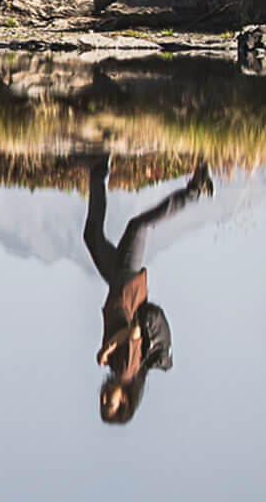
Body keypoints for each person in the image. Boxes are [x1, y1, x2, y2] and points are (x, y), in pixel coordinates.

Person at [84, 153, 214, 425]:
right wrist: (108, 349)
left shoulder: (117, 370)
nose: (104, 398)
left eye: (102, 403)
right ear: (126, 400)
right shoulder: (126, 370)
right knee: (138, 227)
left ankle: (98, 169)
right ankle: (195, 192)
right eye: (111, 403)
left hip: (117, 283)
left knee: (92, 235)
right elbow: (134, 331)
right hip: (128, 284)